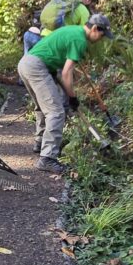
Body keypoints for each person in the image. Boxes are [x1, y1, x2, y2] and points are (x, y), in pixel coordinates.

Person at [17, 13, 112, 174]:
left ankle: (40, 142)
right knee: (56, 111)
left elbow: (60, 71)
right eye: (102, 36)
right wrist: (72, 97)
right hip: (37, 67)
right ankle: (47, 158)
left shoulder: (74, 30)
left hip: (27, 64)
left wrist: (69, 94)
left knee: (43, 106)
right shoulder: (80, 40)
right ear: (95, 29)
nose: (101, 40)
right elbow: (67, 72)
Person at [24, 0, 99, 54]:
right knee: (59, 68)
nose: (93, 9)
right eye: (93, 6)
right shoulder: (84, 11)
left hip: (42, 35)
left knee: (30, 61)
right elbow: (84, 33)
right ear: (88, 1)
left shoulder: (66, 0)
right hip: (56, 43)